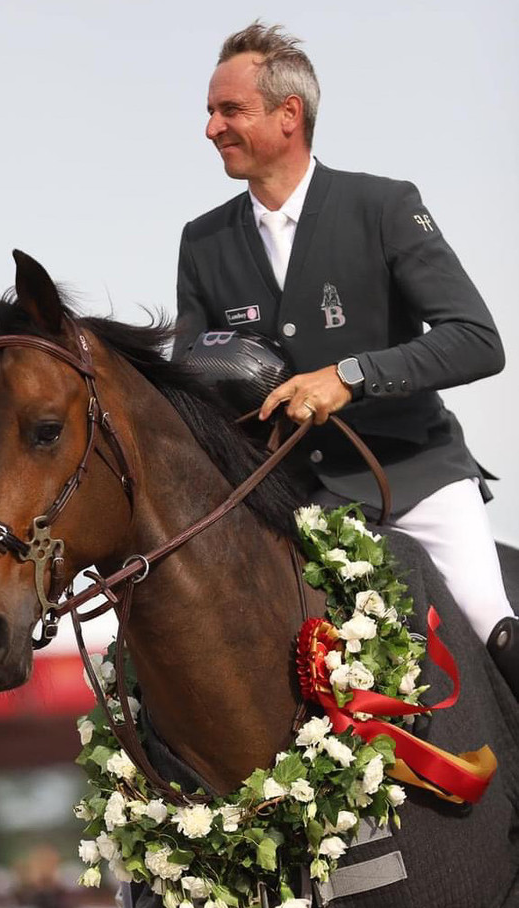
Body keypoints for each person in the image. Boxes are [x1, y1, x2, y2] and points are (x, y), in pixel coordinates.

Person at [175, 21, 519, 695]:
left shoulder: (383, 206)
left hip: (416, 473)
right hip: (299, 497)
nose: (211, 127)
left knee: (490, 620)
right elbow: (190, 379)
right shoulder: (202, 241)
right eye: (210, 111)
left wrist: (352, 376)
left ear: (289, 114)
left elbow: (478, 339)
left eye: (229, 110)